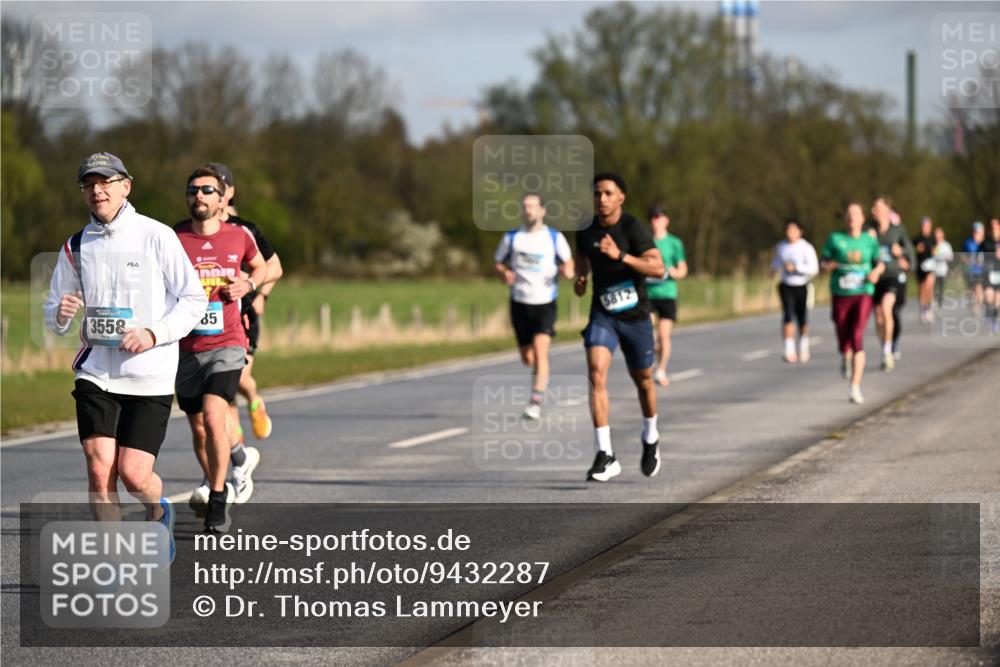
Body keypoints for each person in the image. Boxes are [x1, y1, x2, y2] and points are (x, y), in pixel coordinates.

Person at [44, 152, 207, 560]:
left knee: (135, 475)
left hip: (150, 375)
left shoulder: (156, 236)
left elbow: (193, 299)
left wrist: (155, 333)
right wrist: (61, 315)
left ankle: (157, 508)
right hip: (96, 373)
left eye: (105, 182)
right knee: (100, 471)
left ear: (125, 186)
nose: (97, 190)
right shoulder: (76, 245)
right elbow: (53, 313)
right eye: (88, 184)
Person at [175, 164, 267, 533]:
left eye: (207, 190)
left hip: (227, 343)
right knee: (199, 428)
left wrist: (247, 285)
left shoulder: (239, 236)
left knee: (216, 415)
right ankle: (230, 466)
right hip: (184, 347)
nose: (199, 195)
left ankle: (217, 499)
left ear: (222, 198)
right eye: (193, 189)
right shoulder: (172, 238)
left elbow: (260, 267)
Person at [574, 173, 665, 482]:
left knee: (644, 381)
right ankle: (605, 454)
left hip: (635, 316)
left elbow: (658, 266)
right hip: (604, 314)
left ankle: (650, 436)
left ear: (621, 197)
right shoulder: (585, 229)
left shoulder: (632, 228)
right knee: (596, 373)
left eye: (608, 193)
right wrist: (582, 276)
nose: (601, 199)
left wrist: (621, 256)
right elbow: (582, 256)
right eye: (597, 193)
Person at [208, 163, 283, 452]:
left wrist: (257, 289)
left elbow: (274, 267)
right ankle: (235, 442)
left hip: (243, 313)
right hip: (210, 319)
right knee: (220, 390)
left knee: (239, 378)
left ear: (229, 192)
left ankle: (254, 400)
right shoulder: (193, 230)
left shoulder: (244, 229)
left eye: (216, 188)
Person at [493, 193, 574, 420]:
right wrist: (504, 273)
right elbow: (498, 262)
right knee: (527, 357)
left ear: (542, 210)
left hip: (545, 302)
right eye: (525, 206)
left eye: (532, 206)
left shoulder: (554, 237)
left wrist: (567, 271)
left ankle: (535, 401)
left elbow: (568, 261)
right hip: (520, 302)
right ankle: (537, 384)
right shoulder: (512, 237)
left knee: (541, 352)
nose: (528, 210)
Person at [821, 202, 884, 405]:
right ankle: (845, 356)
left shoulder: (869, 240)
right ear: (845, 218)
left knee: (857, 335)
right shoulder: (835, 239)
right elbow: (823, 261)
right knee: (843, 334)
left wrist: (876, 272)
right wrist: (827, 265)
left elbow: (880, 262)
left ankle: (855, 386)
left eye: (856, 214)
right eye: (848, 214)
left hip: (863, 292)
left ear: (863, 218)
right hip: (841, 293)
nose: (852, 217)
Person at [866, 196, 914, 371]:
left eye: (877, 207)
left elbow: (909, 251)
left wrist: (900, 251)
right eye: (873, 207)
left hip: (893, 275)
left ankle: (888, 352)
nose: (873, 210)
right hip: (875, 277)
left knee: (887, 308)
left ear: (887, 210)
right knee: (878, 317)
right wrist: (868, 239)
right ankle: (886, 347)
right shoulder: (869, 230)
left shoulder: (897, 230)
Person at [645, 205, 687, 385]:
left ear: (666, 220)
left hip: (667, 293)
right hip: (648, 292)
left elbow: (683, 269)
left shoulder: (674, 243)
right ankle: (651, 361)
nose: (656, 221)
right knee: (648, 332)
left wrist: (671, 272)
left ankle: (660, 370)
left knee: (663, 335)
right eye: (653, 217)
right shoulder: (645, 241)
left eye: (659, 217)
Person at [770, 218, 819, 363]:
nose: (790, 233)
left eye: (793, 230)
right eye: (788, 230)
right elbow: (776, 262)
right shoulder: (781, 247)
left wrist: (797, 268)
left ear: (800, 232)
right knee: (787, 316)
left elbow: (814, 269)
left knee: (802, 317)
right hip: (786, 285)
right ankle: (789, 349)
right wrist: (773, 270)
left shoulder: (806, 248)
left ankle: (804, 345)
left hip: (802, 285)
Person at [912, 217, 938, 324]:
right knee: (922, 288)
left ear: (930, 227)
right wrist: (916, 249)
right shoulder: (916, 239)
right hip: (920, 266)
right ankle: (924, 310)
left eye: (927, 227)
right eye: (923, 226)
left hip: (930, 266)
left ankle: (930, 308)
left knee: (929, 286)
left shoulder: (933, 239)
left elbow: (937, 251)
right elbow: (910, 250)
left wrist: (934, 251)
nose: (925, 229)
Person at [961, 221, 986, 316]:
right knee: (972, 290)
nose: (977, 234)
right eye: (975, 232)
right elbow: (962, 255)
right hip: (970, 270)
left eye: (979, 232)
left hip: (982, 270)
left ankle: (978, 305)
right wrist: (968, 260)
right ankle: (974, 305)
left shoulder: (986, 243)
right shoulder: (968, 242)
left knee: (979, 289)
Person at [983, 218, 1000, 333]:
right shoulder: (987, 241)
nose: (994, 228)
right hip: (989, 272)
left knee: (997, 299)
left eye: (995, 225)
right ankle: (988, 312)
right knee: (989, 297)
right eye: (992, 226)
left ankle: (994, 319)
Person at [932, 226, 953, 311]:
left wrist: (945, 257)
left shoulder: (946, 245)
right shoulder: (933, 244)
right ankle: (933, 301)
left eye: (939, 233)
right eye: (936, 233)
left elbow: (951, 257)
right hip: (933, 270)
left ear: (942, 234)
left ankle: (939, 303)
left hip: (943, 270)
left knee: (940, 287)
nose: (937, 235)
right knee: (933, 287)